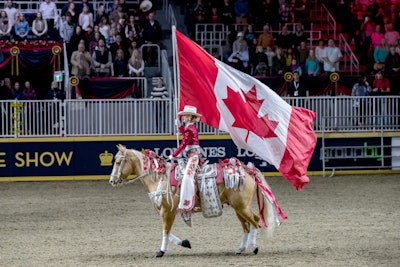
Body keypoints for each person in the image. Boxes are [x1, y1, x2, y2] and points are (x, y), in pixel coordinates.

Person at [168, 105, 202, 225]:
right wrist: (180, 127)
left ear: (190, 117)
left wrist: (173, 155)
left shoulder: (190, 129)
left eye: (185, 115)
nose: (183, 117)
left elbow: (183, 144)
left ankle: (187, 207)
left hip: (193, 157)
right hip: (191, 155)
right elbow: (187, 136)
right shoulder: (190, 127)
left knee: (187, 178)